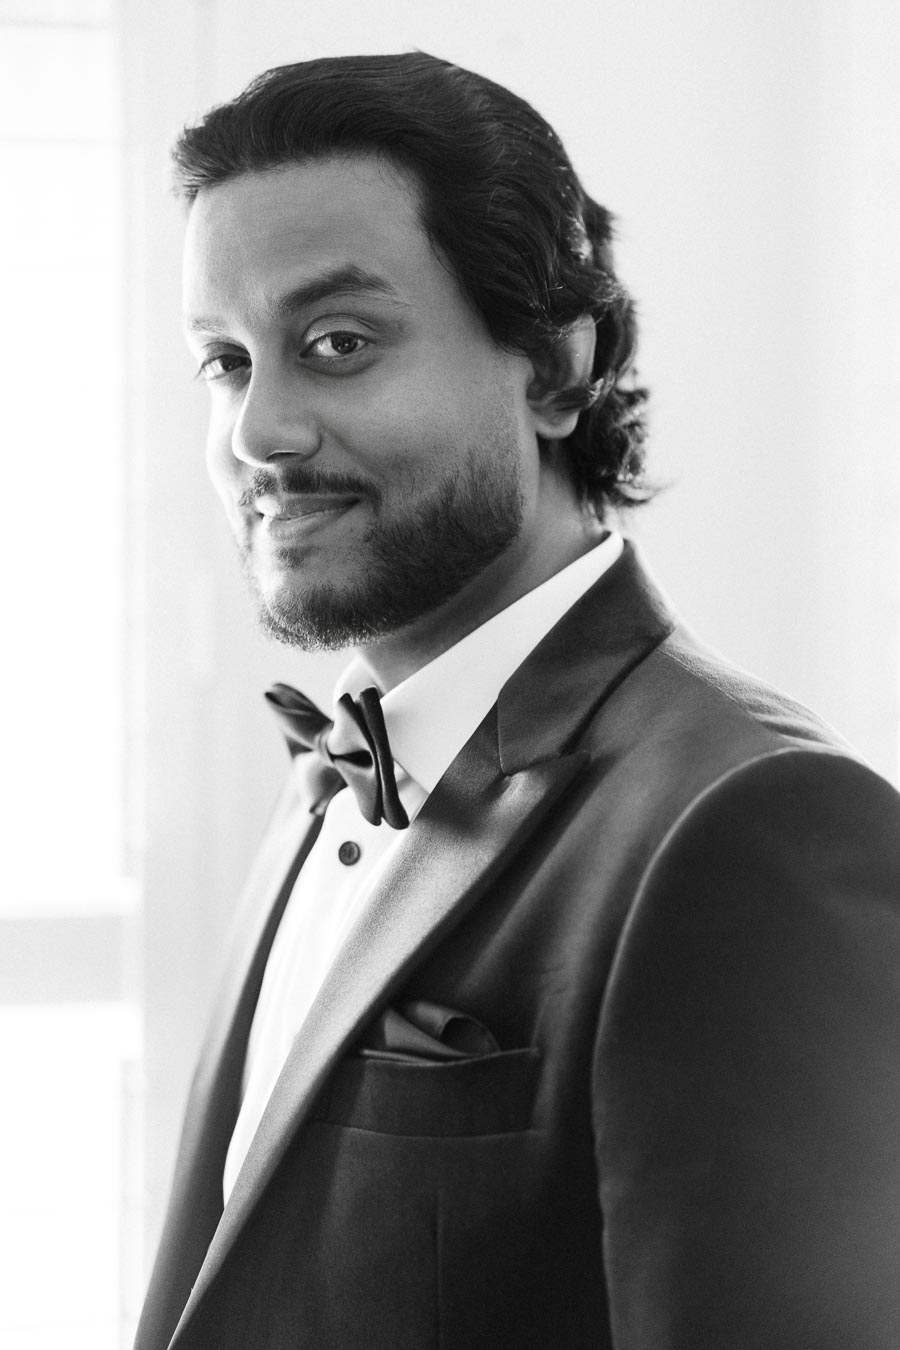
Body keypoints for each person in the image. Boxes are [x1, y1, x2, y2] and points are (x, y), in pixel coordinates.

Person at [136, 52, 900, 1350]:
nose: (257, 430)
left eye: (336, 343)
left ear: (554, 365)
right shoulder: (335, 767)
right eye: (223, 360)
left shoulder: (757, 827)